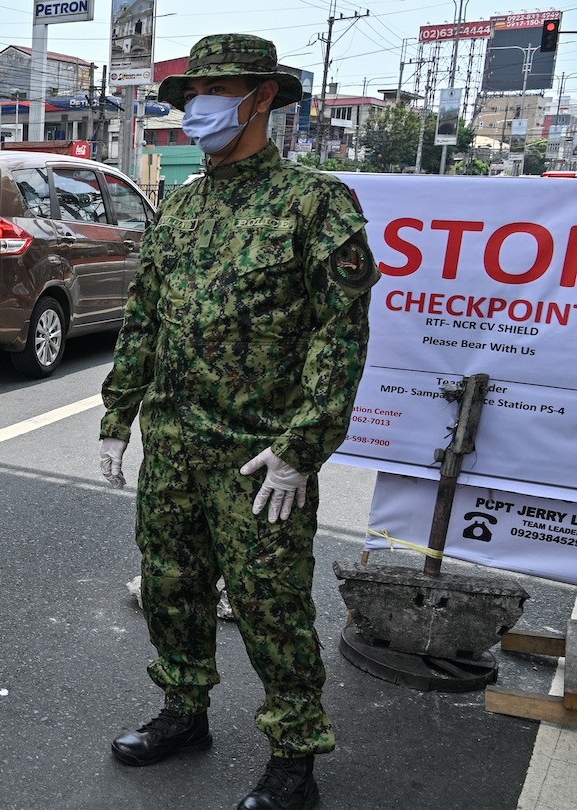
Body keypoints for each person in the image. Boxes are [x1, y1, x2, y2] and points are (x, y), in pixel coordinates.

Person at [96, 34, 378, 810]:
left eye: (218, 90)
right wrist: (118, 415)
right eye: (192, 93)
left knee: (270, 605)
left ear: (262, 98)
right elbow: (144, 318)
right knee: (172, 588)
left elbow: (339, 334)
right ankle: (184, 711)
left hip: (259, 458)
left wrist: (302, 448)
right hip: (176, 444)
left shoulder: (316, 203)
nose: (199, 107)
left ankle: (295, 754)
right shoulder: (182, 206)